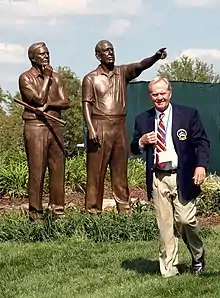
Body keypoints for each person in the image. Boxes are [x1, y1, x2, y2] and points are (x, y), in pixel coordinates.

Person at [130, 76, 210, 277]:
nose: (159, 97)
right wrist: (140, 141)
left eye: (162, 93)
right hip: (158, 177)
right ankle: (169, 270)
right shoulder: (143, 119)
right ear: (150, 96)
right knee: (164, 226)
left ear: (170, 93)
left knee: (185, 220)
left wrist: (201, 166)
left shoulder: (188, 115)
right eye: (155, 94)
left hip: (182, 175)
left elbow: (202, 142)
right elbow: (133, 147)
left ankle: (198, 254)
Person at [82, 40, 167, 213]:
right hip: (99, 125)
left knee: (120, 172)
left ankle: (124, 211)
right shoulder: (90, 78)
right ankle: (92, 212)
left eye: (112, 49)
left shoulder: (122, 72)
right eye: (106, 51)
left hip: (119, 126)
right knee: (96, 173)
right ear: (98, 55)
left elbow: (140, 65)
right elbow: (86, 104)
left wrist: (155, 57)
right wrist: (91, 128)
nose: (110, 53)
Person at [18, 42, 70, 221]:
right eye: (41, 54)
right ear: (32, 58)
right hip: (35, 127)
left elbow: (66, 102)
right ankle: (35, 214)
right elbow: (39, 99)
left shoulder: (57, 77)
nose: (46, 56)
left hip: (54, 126)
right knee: (37, 170)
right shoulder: (25, 78)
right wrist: (47, 78)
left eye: (47, 53)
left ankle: (58, 212)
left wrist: (50, 104)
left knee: (58, 170)